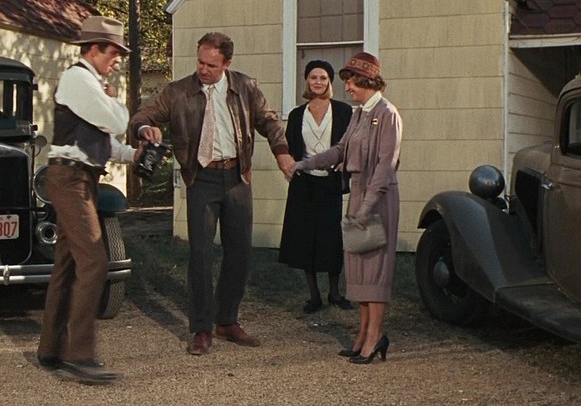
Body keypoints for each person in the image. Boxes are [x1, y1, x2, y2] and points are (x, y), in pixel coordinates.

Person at [129, 32, 295, 355]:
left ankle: (227, 320)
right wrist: (144, 129)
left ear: (227, 63)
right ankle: (202, 328)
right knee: (201, 255)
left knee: (240, 253)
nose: (203, 70)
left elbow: (269, 121)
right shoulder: (178, 92)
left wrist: (282, 152)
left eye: (212, 65)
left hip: (237, 176)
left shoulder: (245, 87)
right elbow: (141, 116)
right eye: (200, 63)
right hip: (200, 178)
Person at [36, 15, 138, 384]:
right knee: (94, 260)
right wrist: (115, 102)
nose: (117, 60)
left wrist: (136, 156)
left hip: (81, 176)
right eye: (113, 53)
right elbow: (117, 122)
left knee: (67, 263)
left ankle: (51, 349)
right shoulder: (78, 79)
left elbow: (104, 142)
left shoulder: (89, 84)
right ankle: (79, 355)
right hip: (71, 178)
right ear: (93, 50)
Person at [292, 52, 402, 364]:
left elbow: (385, 165)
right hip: (357, 195)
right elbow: (340, 150)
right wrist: (307, 163)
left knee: (375, 270)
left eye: (351, 81)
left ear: (367, 81)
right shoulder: (359, 114)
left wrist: (367, 207)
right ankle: (363, 334)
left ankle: (375, 336)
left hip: (378, 199)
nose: (347, 87)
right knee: (359, 269)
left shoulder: (387, 113)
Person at [278, 60, 354, 314]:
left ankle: (334, 292)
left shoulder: (343, 111)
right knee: (304, 238)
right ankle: (314, 296)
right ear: (306, 81)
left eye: (323, 78)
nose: (318, 82)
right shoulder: (297, 114)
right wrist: (291, 167)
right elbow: (289, 148)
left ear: (329, 82)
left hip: (330, 182)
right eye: (313, 78)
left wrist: (345, 162)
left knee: (330, 238)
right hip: (304, 183)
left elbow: (352, 144)